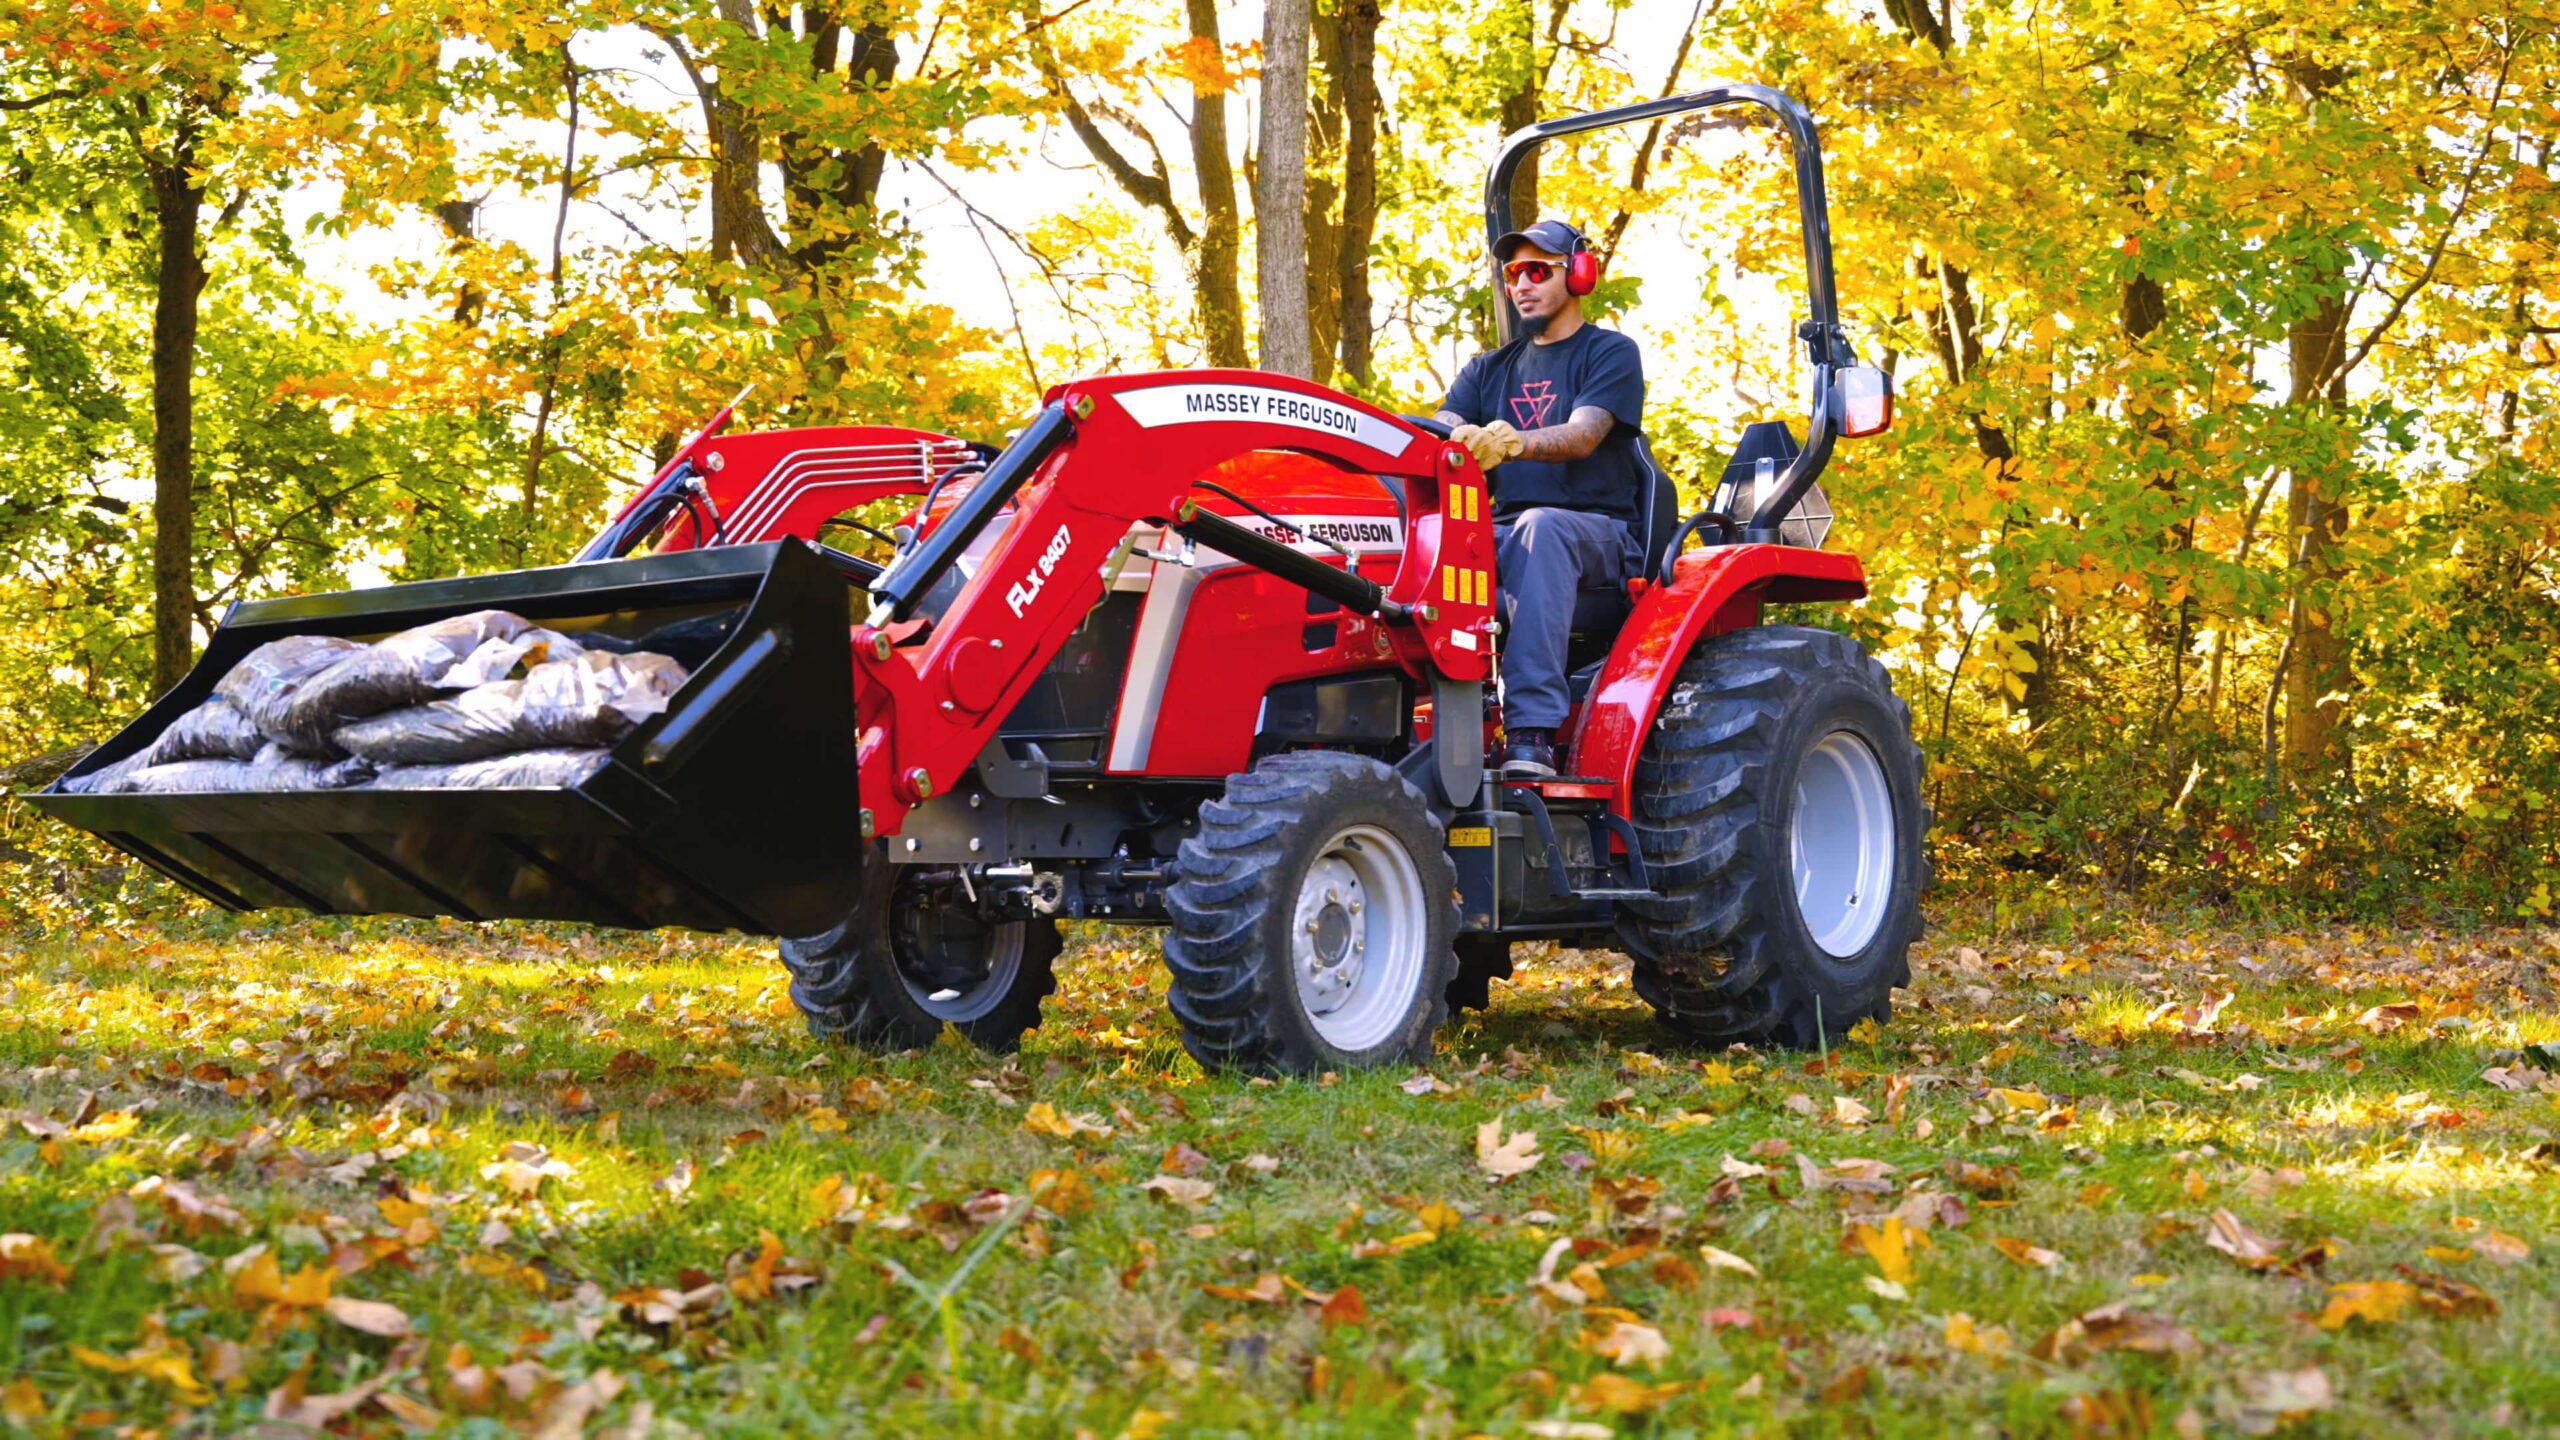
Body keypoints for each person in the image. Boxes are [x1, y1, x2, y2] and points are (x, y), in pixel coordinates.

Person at [1432, 218, 1647, 778]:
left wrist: (1509, 442)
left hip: (1595, 534)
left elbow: (1584, 434)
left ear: (1578, 274)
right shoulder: (1486, 369)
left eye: (1537, 270)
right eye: (1512, 273)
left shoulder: (1609, 353)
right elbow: (1440, 429)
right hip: (1502, 535)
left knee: (1541, 525)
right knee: (1414, 536)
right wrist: (1437, 439)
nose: (1522, 284)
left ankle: (1530, 732)